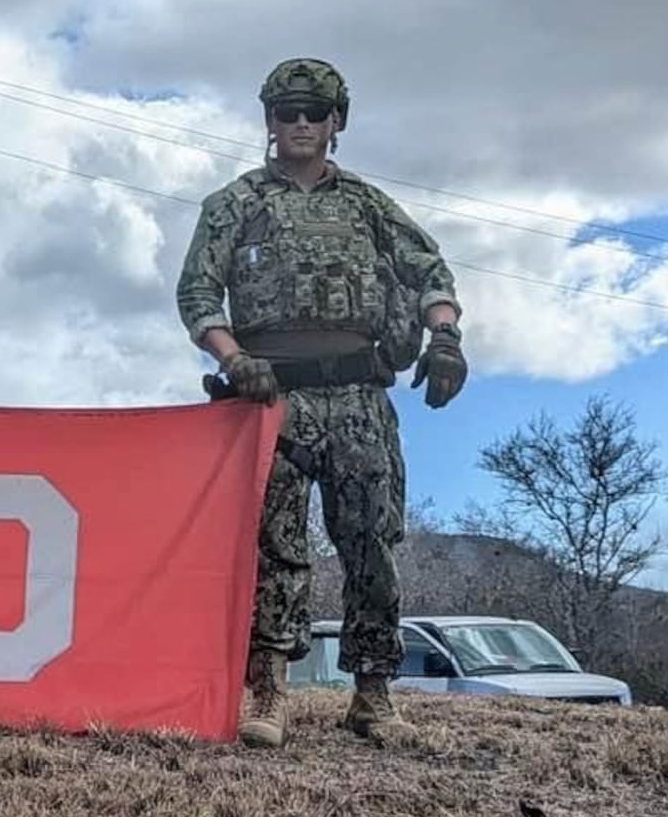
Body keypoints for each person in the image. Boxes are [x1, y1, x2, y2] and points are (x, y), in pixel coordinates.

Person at [175, 58, 467, 747]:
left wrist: (446, 336)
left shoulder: (366, 205)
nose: (299, 123)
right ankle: (268, 689)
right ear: (269, 121)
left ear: (337, 122)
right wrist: (233, 358)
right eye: (286, 111)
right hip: (269, 397)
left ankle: (372, 693)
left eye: (313, 110)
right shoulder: (236, 203)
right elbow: (197, 295)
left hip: (359, 396)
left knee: (371, 543)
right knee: (272, 546)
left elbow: (430, 269)